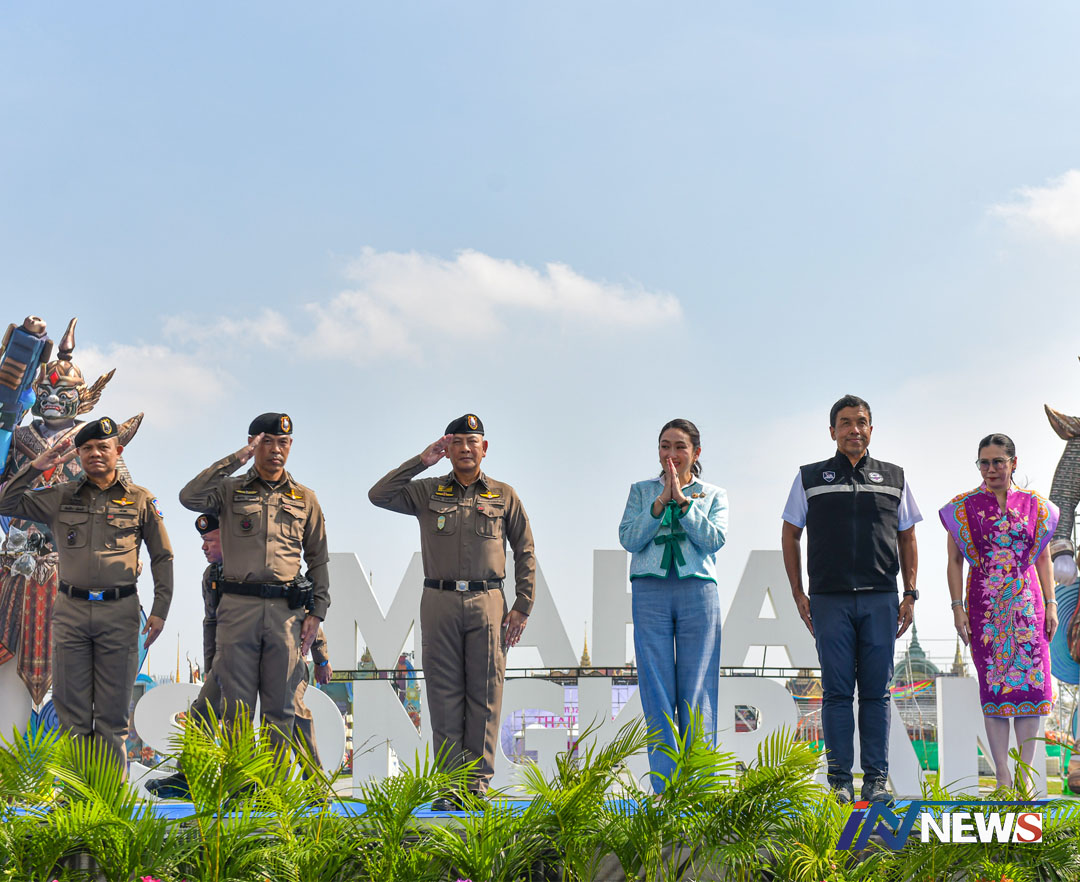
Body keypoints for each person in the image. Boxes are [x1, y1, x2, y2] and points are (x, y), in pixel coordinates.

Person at [368, 414, 535, 807]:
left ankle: (475, 787)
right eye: (456, 442)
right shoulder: (428, 491)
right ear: (447, 449)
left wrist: (523, 604)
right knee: (444, 697)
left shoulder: (504, 495)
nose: (464, 449)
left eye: (471, 441)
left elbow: (525, 549)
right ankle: (450, 787)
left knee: (485, 695)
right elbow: (379, 495)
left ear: (484, 448)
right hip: (439, 600)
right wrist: (421, 461)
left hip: (488, 602)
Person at [0, 415, 172, 769]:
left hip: (120, 612)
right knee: (72, 716)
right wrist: (35, 467)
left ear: (117, 451)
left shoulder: (140, 500)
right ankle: (77, 793)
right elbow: (6, 503)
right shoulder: (60, 497)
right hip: (71, 613)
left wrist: (160, 609)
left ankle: (108, 795)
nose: (95, 453)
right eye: (87, 448)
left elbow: (162, 555)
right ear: (78, 454)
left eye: (102, 447)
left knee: (112, 718)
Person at [781, 395, 921, 805]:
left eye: (861, 422)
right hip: (829, 600)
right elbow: (790, 533)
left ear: (871, 429)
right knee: (837, 692)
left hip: (881, 598)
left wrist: (910, 592)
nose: (853, 429)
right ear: (832, 431)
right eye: (845, 423)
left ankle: (875, 782)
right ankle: (839, 782)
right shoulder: (810, 478)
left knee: (876, 693)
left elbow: (908, 536)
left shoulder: (894, 477)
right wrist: (798, 592)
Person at [178, 413, 329, 759]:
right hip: (238, 609)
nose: (276, 450)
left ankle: (272, 788)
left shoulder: (306, 498)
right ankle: (241, 784)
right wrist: (238, 458)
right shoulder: (229, 490)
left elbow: (318, 559)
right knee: (237, 710)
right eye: (267, 442)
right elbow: (189, 496)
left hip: (286, 614)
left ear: (290, 445)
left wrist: (317, 612)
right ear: (253, 443)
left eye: (283, 443)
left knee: (281, 711)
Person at [940, 433, 1059, 790]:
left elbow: (1044, 558)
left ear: (1013, 463)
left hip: (1029, 609)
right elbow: (954, 562)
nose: (990, 469)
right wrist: (957, 608)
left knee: (1031, 691)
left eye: (997, 462)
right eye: (984, 463)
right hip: (985, 609)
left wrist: (1052, 604)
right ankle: (1003, 777)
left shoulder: (1037, 506)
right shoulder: (962, 508)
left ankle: (1024, 777)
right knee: (994, 691)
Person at [618, 418, 728, 794]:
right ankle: (665, 787)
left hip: (699, 591)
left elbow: (714, 540)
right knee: (656, 688)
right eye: (665, 445)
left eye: (680, 446)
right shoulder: (641, 491)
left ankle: (699, 787)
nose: (672, 453)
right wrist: (660, 501)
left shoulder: (713, 495)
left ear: (696, 453)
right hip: (650, 592)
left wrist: (683, 502)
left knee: (699, 688)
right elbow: (629, 538)